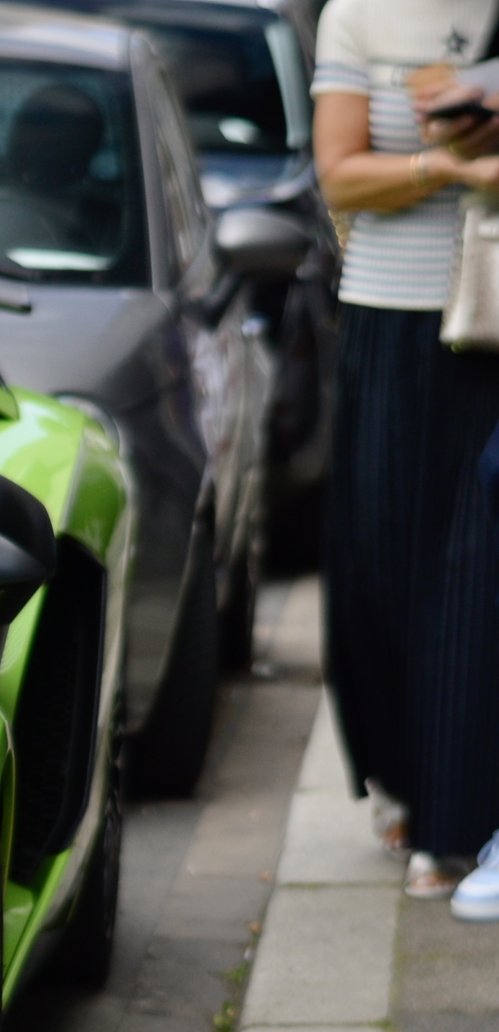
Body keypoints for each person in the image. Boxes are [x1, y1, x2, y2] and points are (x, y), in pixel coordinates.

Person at [313, 0, 499, 907]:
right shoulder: (360, 15)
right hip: (391, 318)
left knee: (469, 574)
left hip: (494, 325)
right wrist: (452, 163)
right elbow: (341, 177)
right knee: (380, 563)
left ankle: (454, 818)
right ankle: (404, 776)